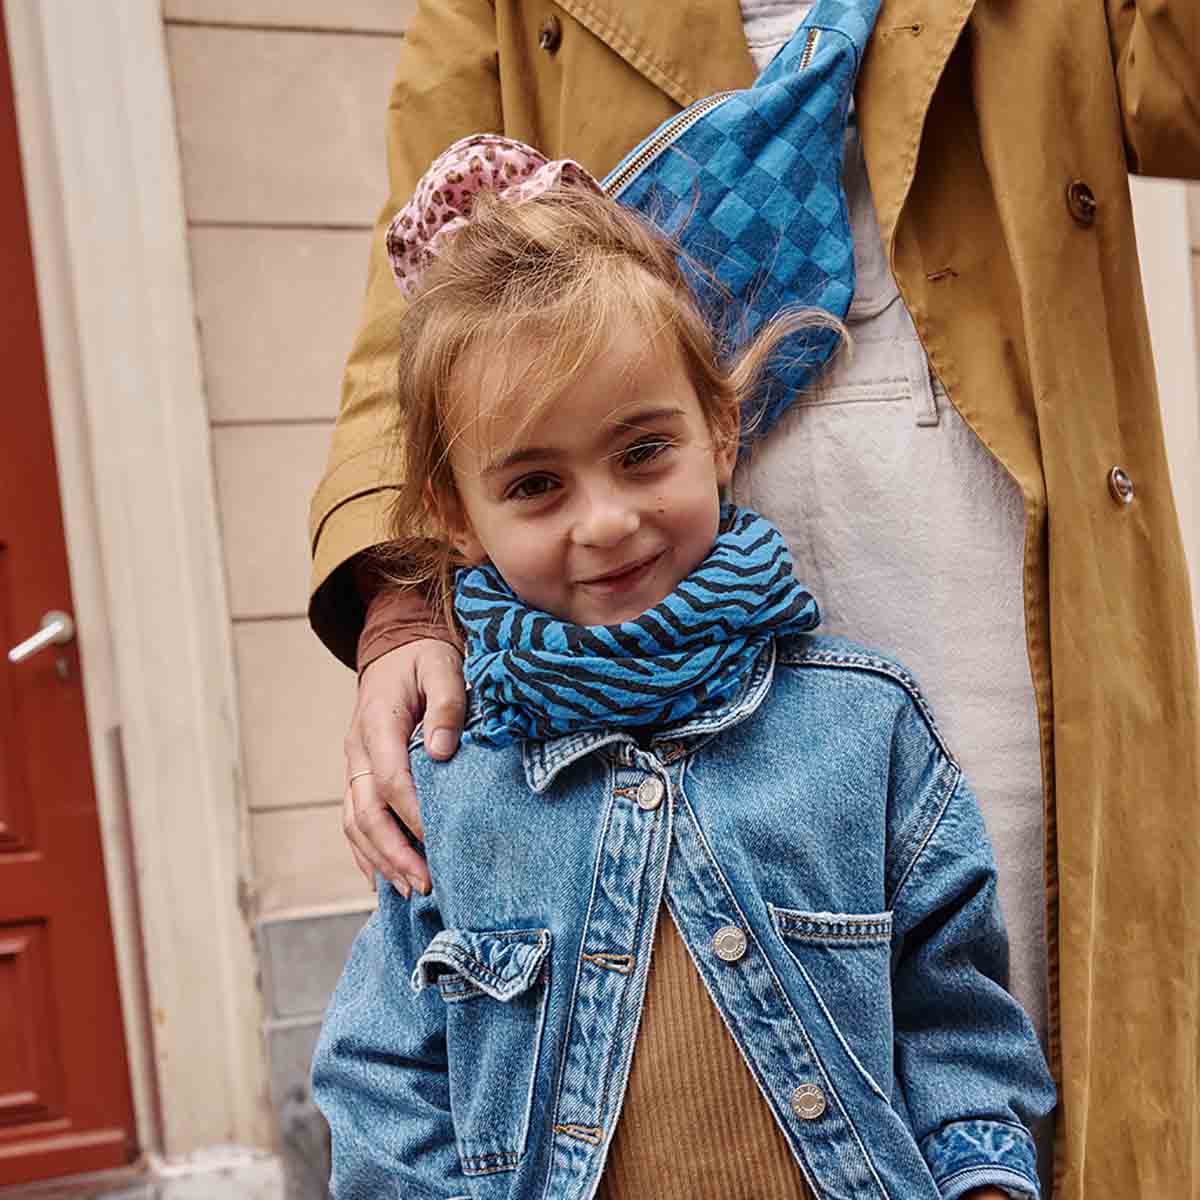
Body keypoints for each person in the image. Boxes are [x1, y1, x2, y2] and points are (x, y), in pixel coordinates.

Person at [308, 4, 1200, 1197]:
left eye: (631, 465)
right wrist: (402, 595)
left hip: (986, 545)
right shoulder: (471, 785)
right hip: (625, 464)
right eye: (533, 487)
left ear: (713, 429)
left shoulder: (867, 725)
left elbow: (957, 1020)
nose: (603, 519)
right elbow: (411, 304)